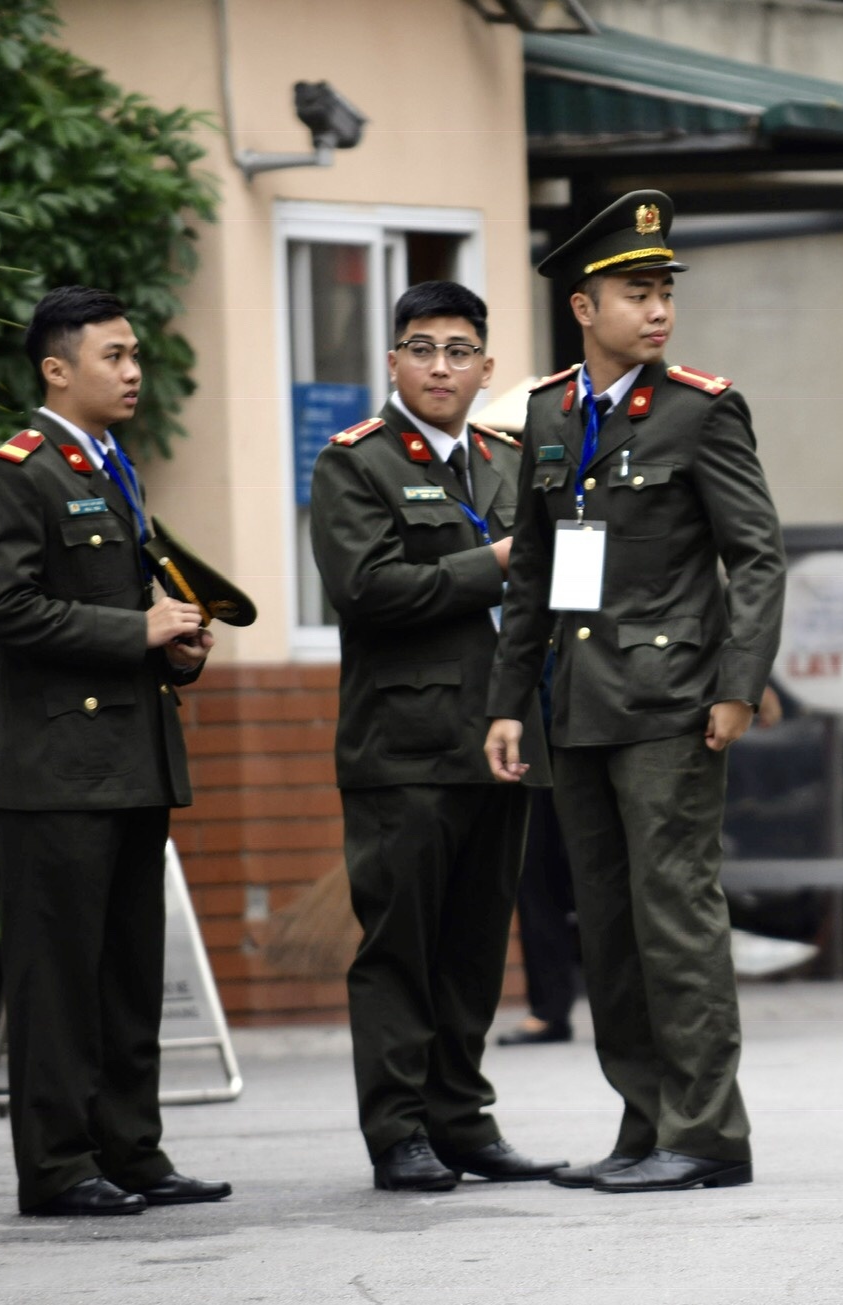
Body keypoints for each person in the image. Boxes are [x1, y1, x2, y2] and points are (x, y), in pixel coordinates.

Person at [485, 189, 786, 1193]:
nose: (657, 310)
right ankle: (644, 1118)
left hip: (670, 703)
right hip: (574, 704)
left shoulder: (701, 408)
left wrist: (738, 684)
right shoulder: (547, 413)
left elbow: (757, 558)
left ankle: (705, 1134)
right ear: (584, 306)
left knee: (675, 918)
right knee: (606, 926)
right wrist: (505, 700)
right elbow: (532, 569)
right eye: (635, 292)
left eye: (663, 291)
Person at [0, 285, 229, 1216]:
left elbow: (133, 613)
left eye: (134, 356)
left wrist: (177, 644)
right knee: (60, 979)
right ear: (56, 369)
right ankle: (57, 1166)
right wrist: (137, 630)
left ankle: (131, 1150)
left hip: (130, 758)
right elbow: (5, 611)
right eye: (113, 356)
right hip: (59, 769)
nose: (132, 372)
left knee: (126, 975)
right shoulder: (17, 470)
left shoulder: (113, 466)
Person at [308, 279, 562, 1192]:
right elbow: (367, 588)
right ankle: (399, 1131)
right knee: (400, 946)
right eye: (422, 348)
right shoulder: (357, 462)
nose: (441, 366)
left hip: (503, 739)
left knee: (473, 945)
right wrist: (490, 564)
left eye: (460, 351)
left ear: (486, 367)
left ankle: (463, 1121)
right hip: (405, 745)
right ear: (393, 361)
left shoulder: (504, 458)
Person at [500, 787, 584, 1046]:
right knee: (534, 861)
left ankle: (633, 1009)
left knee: (603, 862)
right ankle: (549, 1008)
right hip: (532, 755)